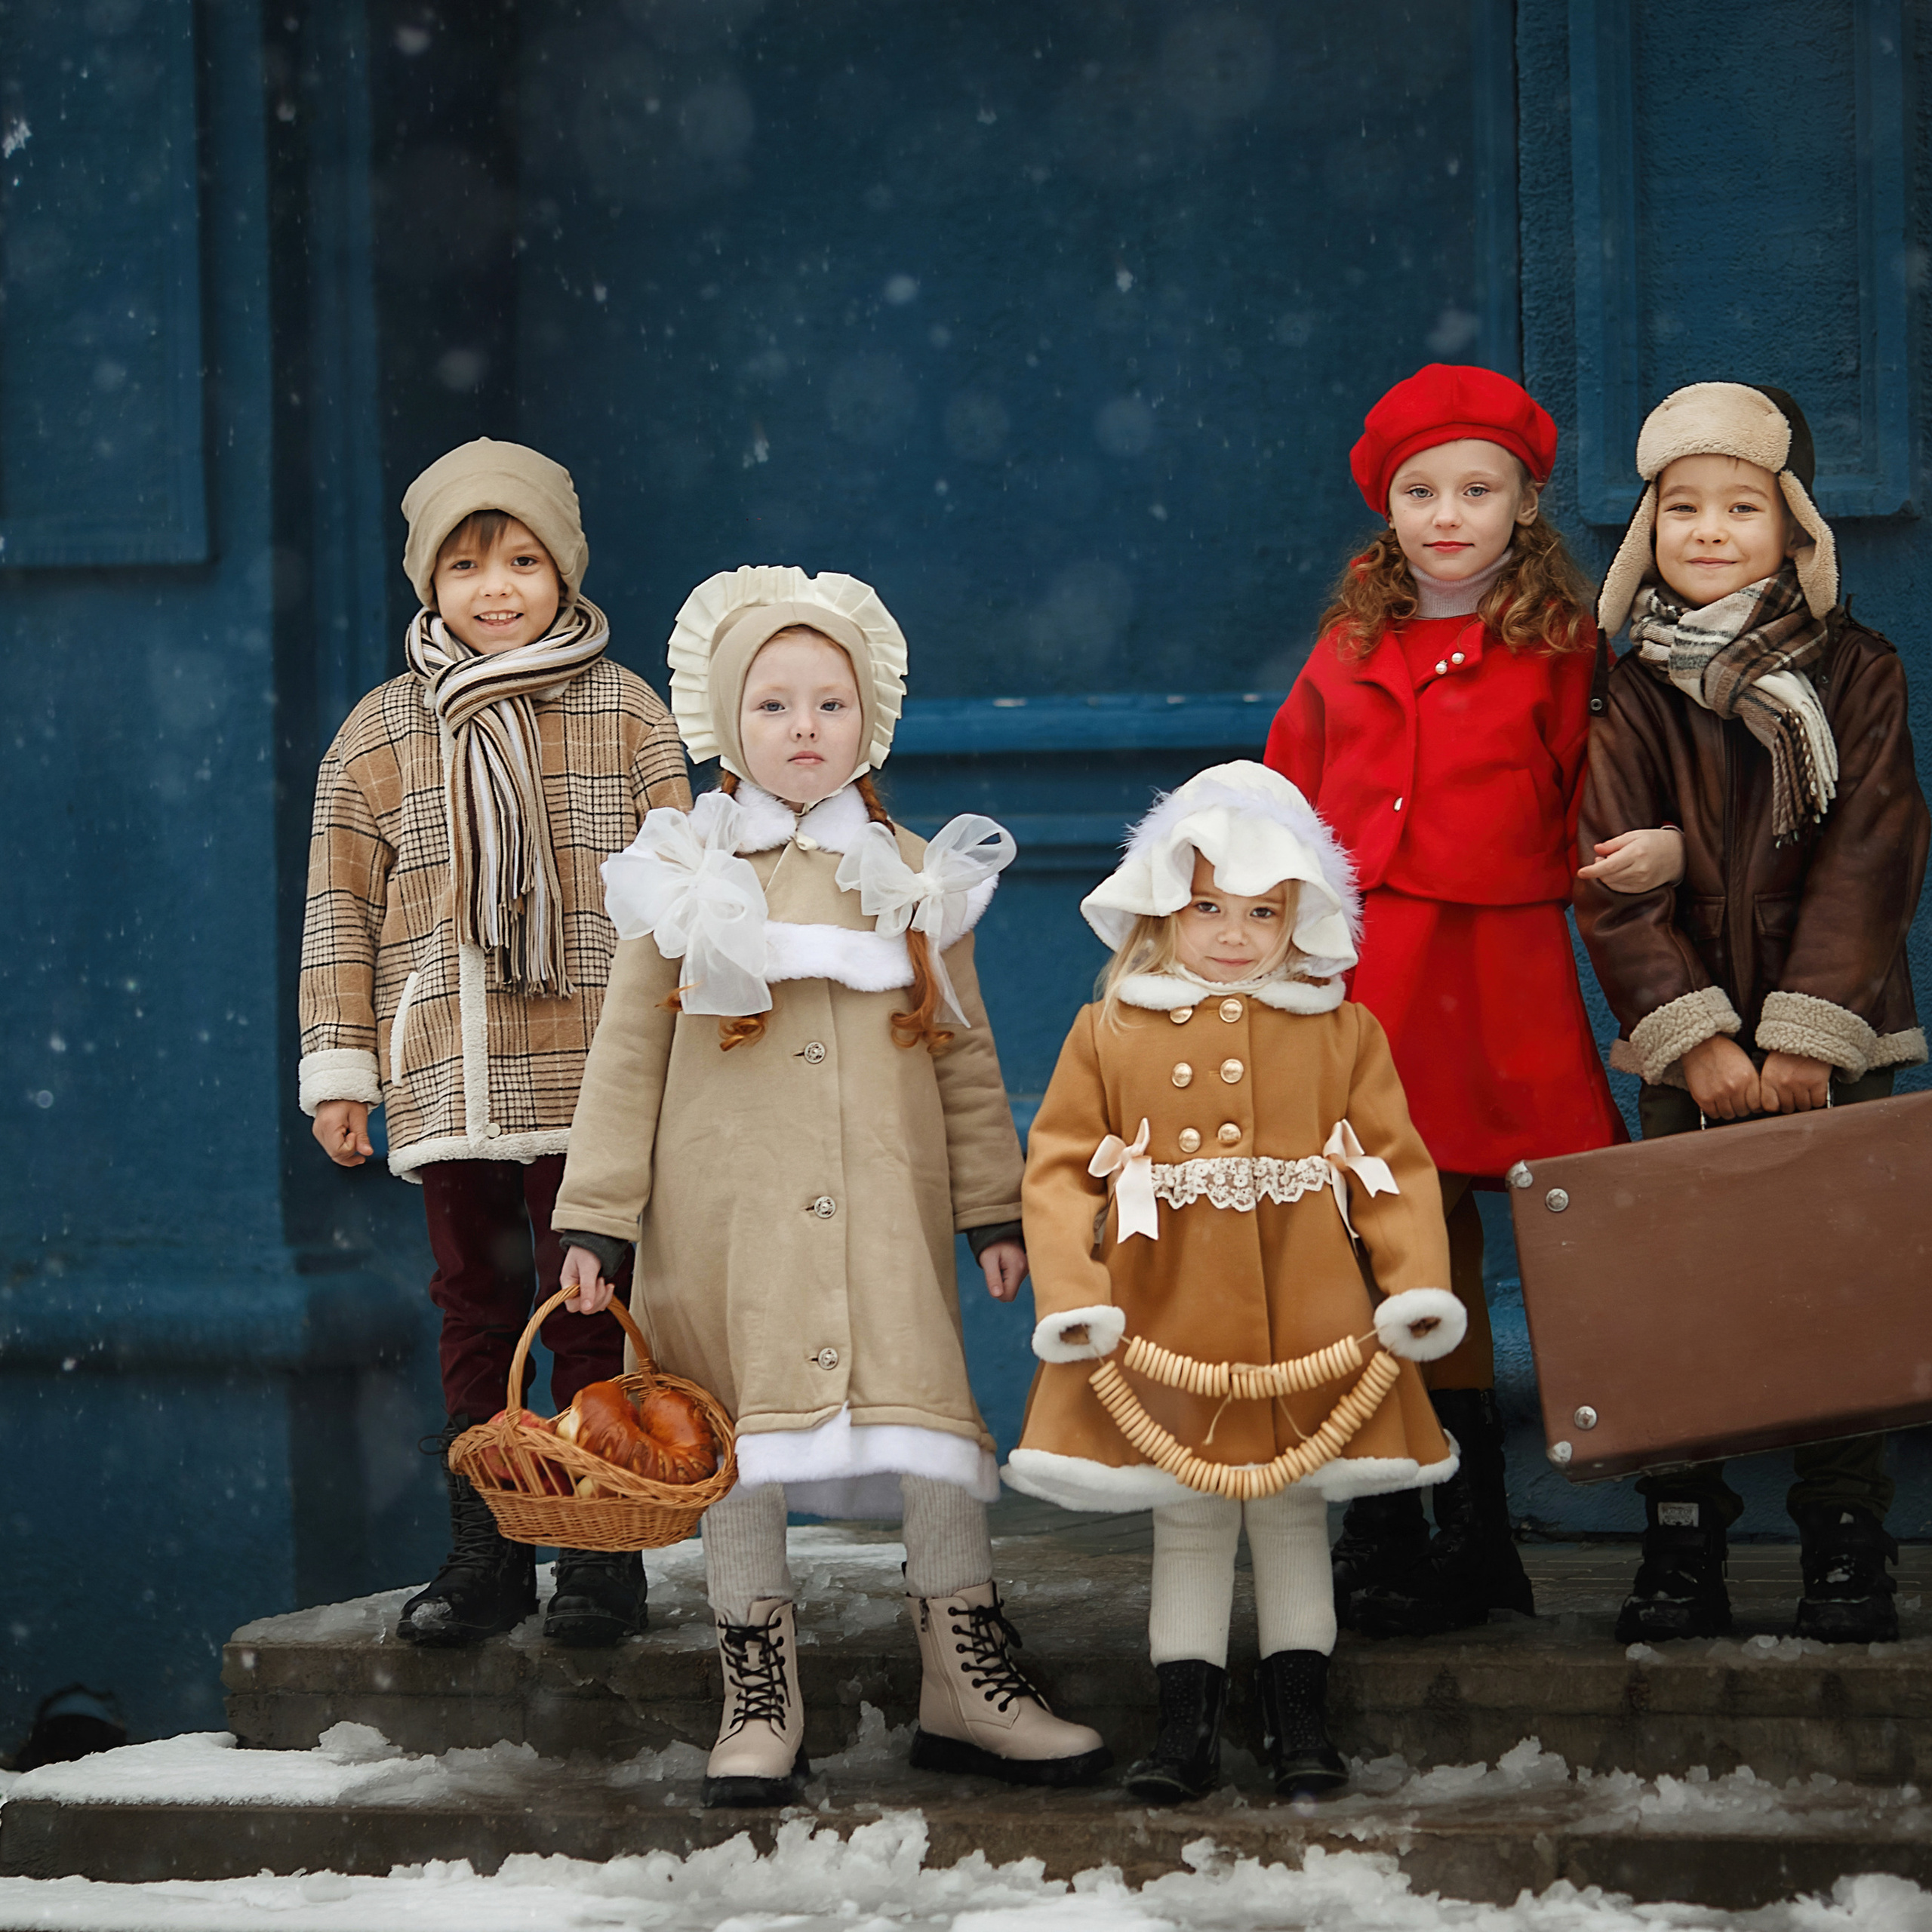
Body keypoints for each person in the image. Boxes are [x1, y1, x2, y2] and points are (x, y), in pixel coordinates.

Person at [550, 565, 1110, 1807]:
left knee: (927, 1415)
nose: (805, 731)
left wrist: (990, 1205)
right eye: (774, 706)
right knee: (734, 1432)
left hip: (886, 1211)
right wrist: (598, 1214)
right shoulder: (687, 869)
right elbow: (627, 1051)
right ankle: (758, 1685)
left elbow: (962, 1050)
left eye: (831, 705)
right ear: (724, 722)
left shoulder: (913, 872)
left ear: (873, 722)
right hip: (724, 1219)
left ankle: (965, 1673)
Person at [1263, 365, 1678, 1636]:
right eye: (1421, 489)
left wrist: (1651, 853)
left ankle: (1523, 1517)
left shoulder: (1565, 650)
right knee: (1386, 1232)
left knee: (1552, 1231)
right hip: (1375, 975)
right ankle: (1398, 1508)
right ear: (1387, 509)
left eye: (1479, 488)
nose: (1450, 513)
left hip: (1499, 971)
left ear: (1524, 503)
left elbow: (1599, 798)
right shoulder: (1346, 649)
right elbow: (1281, 797)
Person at [1008, 761, 1467, 1800]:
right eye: (1207, 905)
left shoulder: (1343, 1030)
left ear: (1301, 916)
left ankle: (1302, 1727)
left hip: (1312, 1314)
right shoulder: (1109, 1028)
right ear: (1160, 906)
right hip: (1162, 1312)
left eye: (1263, 911)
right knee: (1191, 1517)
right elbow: (1059, 1170)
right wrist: (1074, 1295)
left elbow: (1392, 1169)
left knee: (1296, 1513)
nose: (1232, 932)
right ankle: (1184, 1734)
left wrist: (1413, 1286)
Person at [298, 438, 690, 1649]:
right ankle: (488, 1545)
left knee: (588, 1302)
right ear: (429, 583)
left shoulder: (626, 713)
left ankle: (595, 1543)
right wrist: (340, 1065)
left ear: (564, 569)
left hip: (589, 1075)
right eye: (465, 564)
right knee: (475, 1305)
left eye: (522, 558)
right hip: (447, 1070)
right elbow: (339, 907)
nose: (496, 586)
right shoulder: (379, 732)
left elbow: (679, 902)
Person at [1577, 382, 1929, 1645]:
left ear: (1796, 529)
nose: (1712, 529)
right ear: (1647, 531)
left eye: (1743, 506)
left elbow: (1872, 852)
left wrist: (1801, 1033)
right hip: (1698, 1053)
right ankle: (1684, 1536)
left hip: (1838, 1043)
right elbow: (1610, 885)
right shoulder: (1629, 695)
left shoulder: (1857, 672)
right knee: (1684, 1294)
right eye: (1683, 508)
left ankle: (1846, 1535)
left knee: (1838, 1287)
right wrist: (1704, 1038)